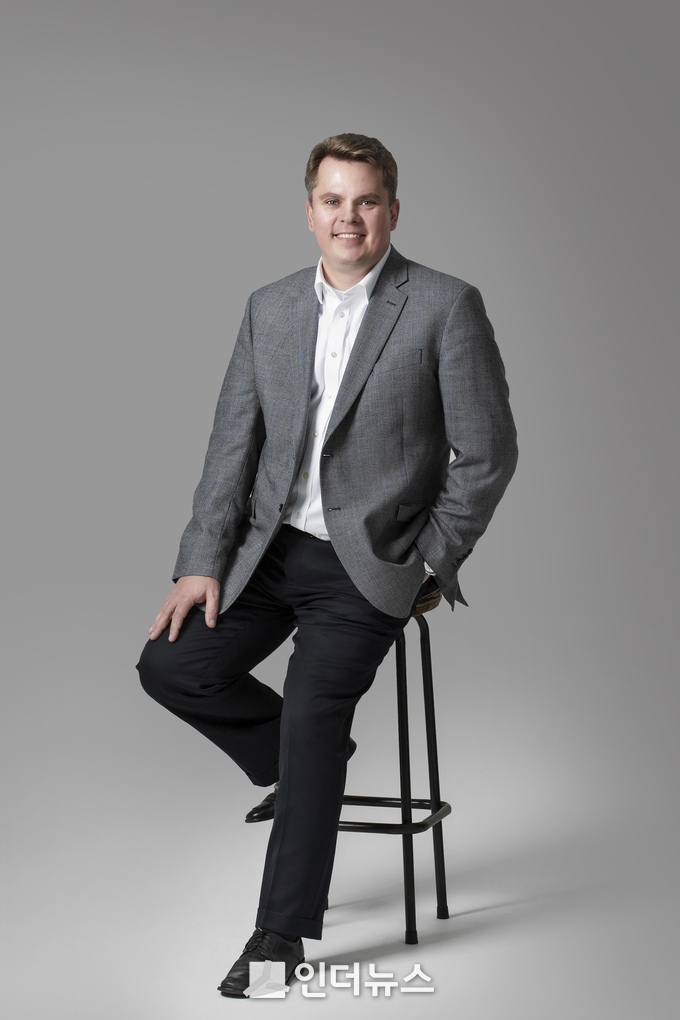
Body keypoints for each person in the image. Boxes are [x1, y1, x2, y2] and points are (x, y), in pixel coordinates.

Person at [137, 133, 518, 997]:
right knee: (171, 667)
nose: (350, 217)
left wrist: (432, 558)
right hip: (269, 551)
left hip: (369, 562)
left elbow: (488, 453)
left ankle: (279, 939)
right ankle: (306, 761)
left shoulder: (444, 305)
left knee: (310, 723)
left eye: (367, 200)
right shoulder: (269, 307)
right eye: (334, 201)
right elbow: (231, 446)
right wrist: (201, 562)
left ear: (393, 210)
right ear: (309, 211)